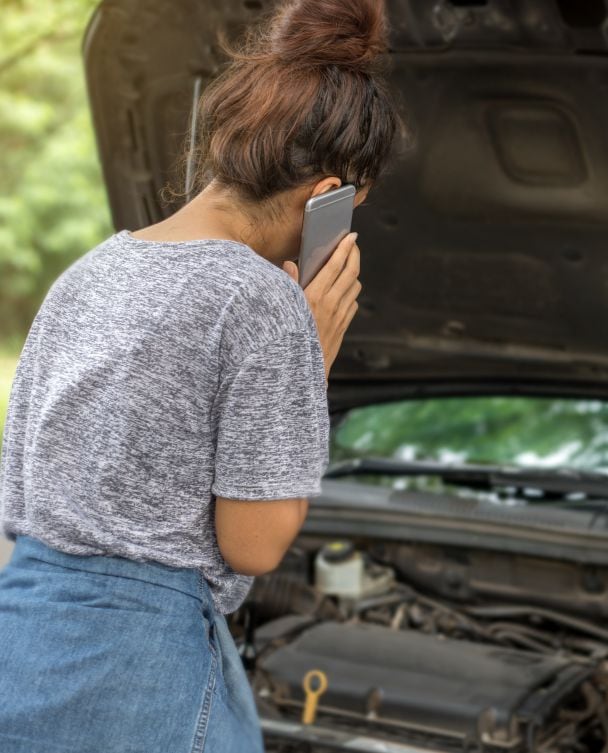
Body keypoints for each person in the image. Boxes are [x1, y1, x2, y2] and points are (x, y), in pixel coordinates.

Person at [0, 0, 399, 750]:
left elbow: (15, 493)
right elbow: (253, 542)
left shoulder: (89, 273)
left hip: (19, 641)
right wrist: (304, 369)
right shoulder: (264, 301)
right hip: (133, 678)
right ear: (326, 200)